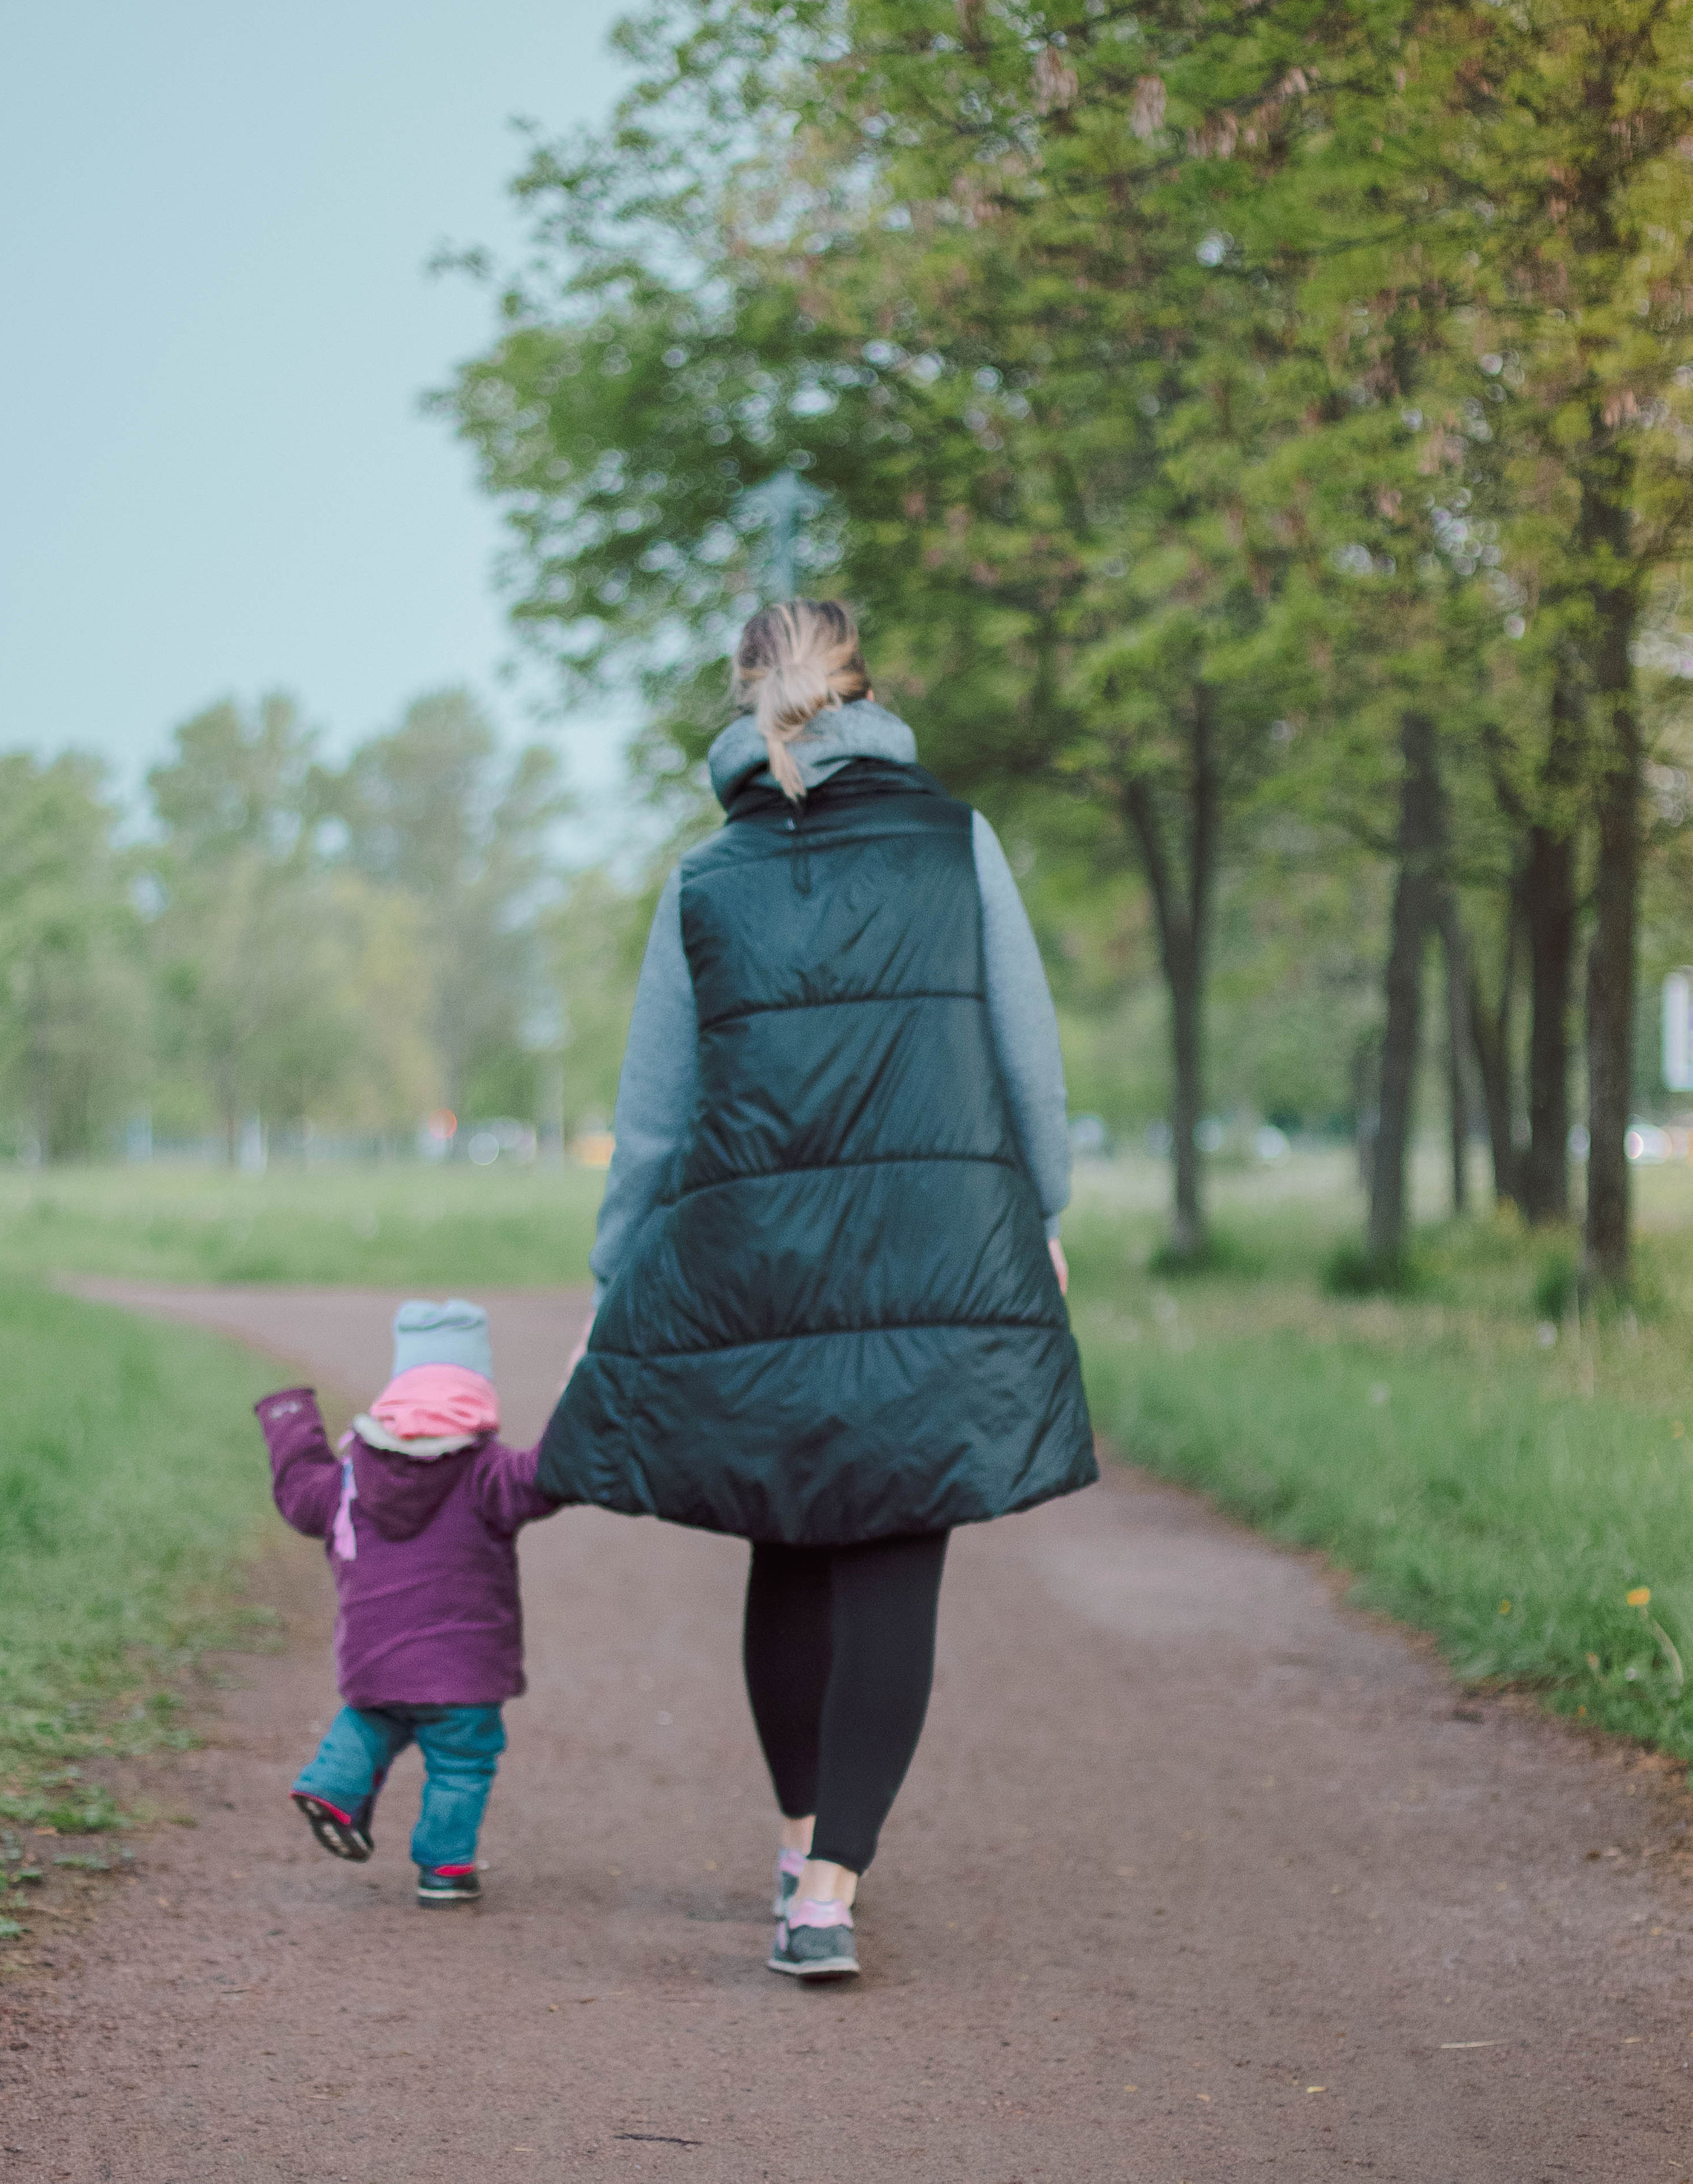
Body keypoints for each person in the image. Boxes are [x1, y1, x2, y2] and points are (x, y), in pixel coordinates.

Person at [540, 599, 1095, 1982]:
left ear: (742, 703)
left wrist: (614, 1285)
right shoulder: (952, 840)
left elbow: (653, 1122)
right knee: (896, 1548)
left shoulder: (703, 876)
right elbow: (1028, 1061)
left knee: (784, 1541)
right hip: (941, 1244)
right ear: (870, 692)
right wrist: (1041, 1213)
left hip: (756, 1266)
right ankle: (831, 1885)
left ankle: (800, 1850)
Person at [254, 1297, 556, 1909]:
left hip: (376, 1660)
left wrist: (291, 1419)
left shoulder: (351, 1475)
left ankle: (332, 1786)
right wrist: (591, 1400)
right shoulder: (488, 1472)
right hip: (464, 1674)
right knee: (461, 1765)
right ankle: (444, 1870)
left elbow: (298, 1496)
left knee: (374, 1719)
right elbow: (549, 1477)